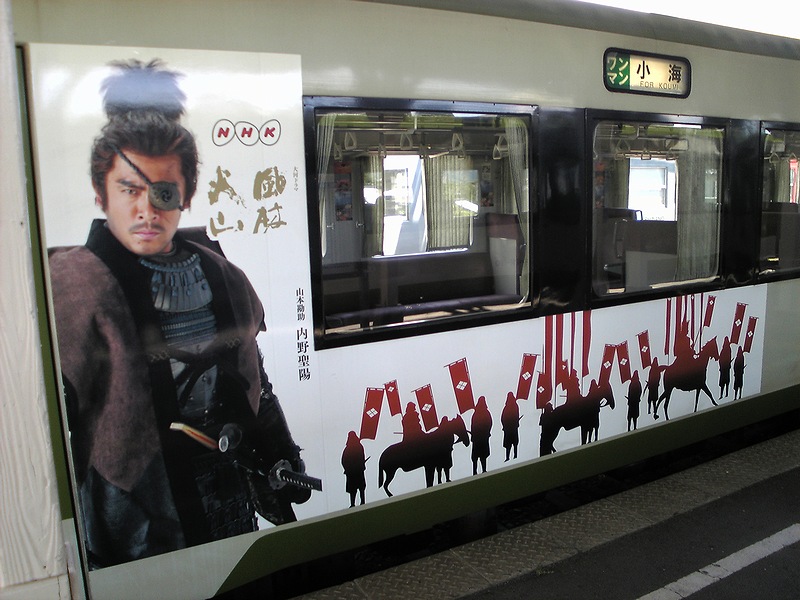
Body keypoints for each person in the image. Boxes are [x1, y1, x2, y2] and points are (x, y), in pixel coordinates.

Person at [48, 59, 310, 569]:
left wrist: (280, 454)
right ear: (101, 193)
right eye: (129, 189)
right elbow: (57, 426)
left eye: (164, 192)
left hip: (227, 480)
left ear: (185, 195)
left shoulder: (222, 275)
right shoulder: (75, 287)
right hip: (139, 508)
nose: (147, 210)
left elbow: (255, 382)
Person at [341, 431, 367, 507]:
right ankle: (356, 503)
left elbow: (343, 461)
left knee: (358, 488)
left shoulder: (349, 448)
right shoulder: (358, 447)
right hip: (355, 471)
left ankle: (359, 502)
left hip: (355, 471)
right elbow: (344, 461)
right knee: (356, 488)